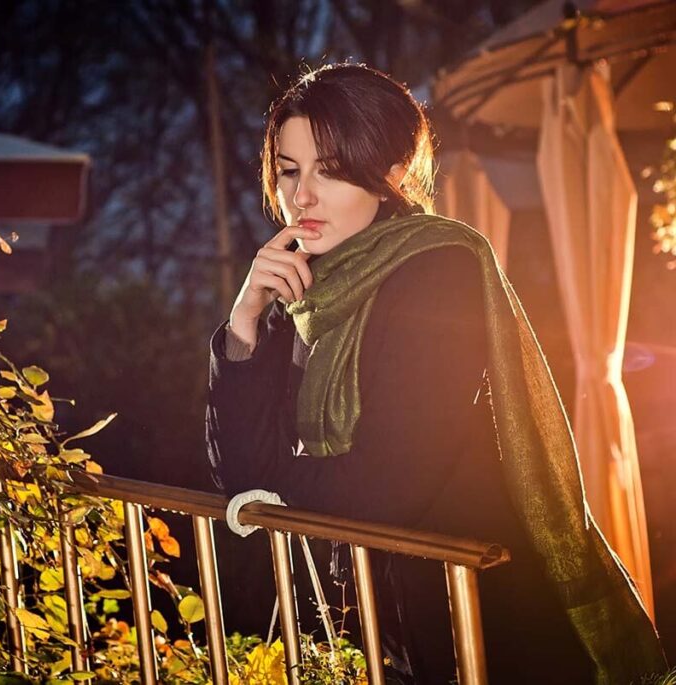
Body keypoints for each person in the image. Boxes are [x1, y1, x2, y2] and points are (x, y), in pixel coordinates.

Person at [204, 63, 666, 684]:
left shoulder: (439, 269)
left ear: (393, 176)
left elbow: (388, 485)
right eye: (289, 171)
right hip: (384, 621)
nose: (302, 196)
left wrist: (267, 486)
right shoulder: (307, 289)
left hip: (482, 619)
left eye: (330, 169)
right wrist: (242, 324)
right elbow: (237, 475)